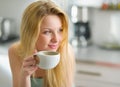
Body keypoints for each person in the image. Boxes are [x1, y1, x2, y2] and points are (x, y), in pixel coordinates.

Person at [8, 0, 75, 87]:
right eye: (47, 32)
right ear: (31, 33)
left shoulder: (66, 51)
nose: (56, 39)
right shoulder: (15, 51)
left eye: (60, 30)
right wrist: (25, 76)